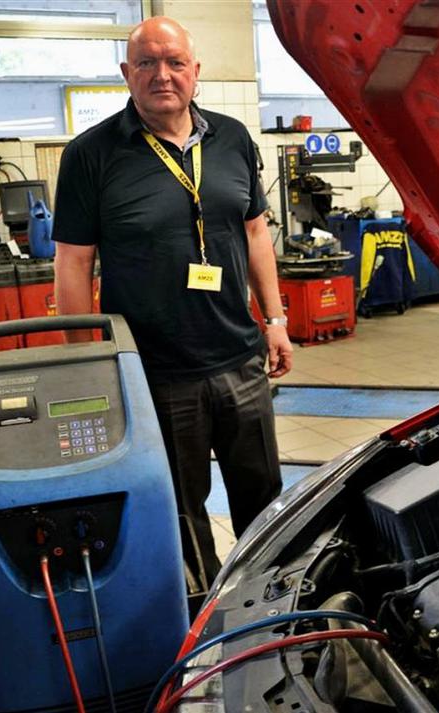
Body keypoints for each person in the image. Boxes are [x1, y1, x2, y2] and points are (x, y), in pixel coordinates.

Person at [52, 16, 293, 588]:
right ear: (126, 73)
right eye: (147, 63)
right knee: (180, 509)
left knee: (263, 495)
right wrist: (88, 359)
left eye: (175, 62)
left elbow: (255, 232)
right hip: (155, 372)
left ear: (195, 71)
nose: (162, 75)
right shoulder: (90, 154)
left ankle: (267, 598)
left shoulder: (232, 138)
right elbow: (73, 263)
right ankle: (202, 611)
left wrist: (275, 319)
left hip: (239, 359)